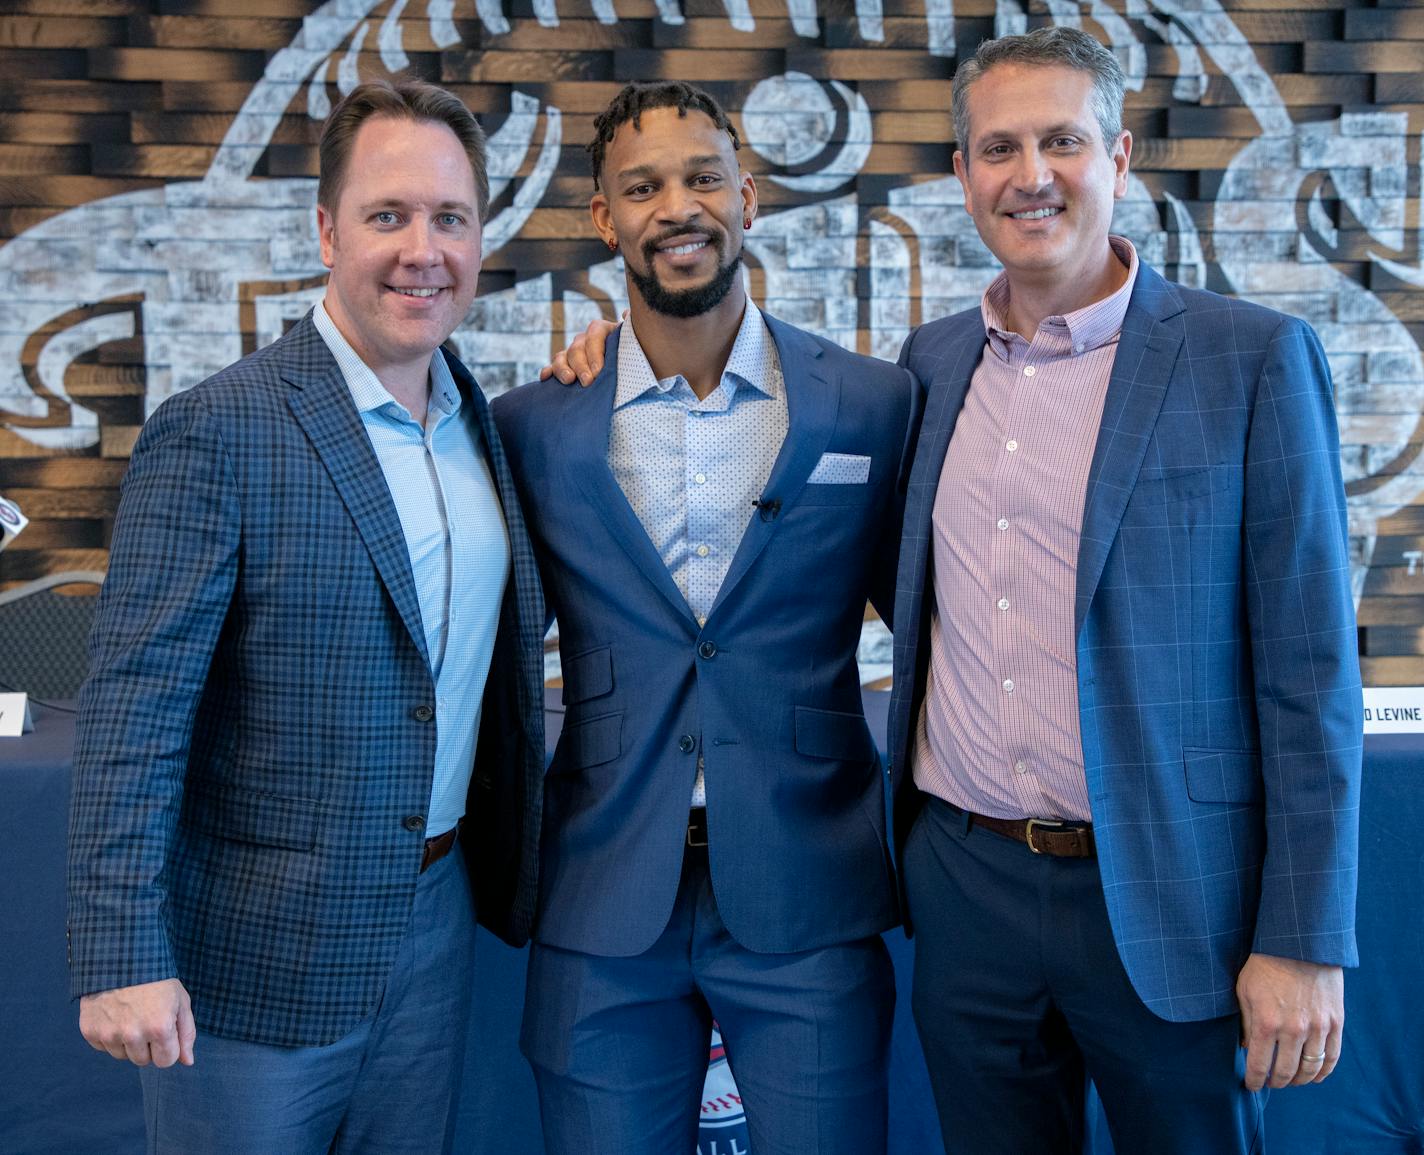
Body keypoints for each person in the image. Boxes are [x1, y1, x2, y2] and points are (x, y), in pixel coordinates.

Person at [887, 27, 1362, 1153]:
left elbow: (1308, 675)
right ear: (960, 174)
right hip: (964, 883)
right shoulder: (927, 363)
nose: (1028, 174)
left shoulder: (1248, 359)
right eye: (996, 147)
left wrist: (1300, 937)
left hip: (1165, 894)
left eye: (1059, 139)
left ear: (1119, 155)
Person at [66, 79, 545, 1155]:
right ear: (326, 229)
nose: (423, 249)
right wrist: (121, 954)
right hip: (250, 958)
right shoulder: (215, 432)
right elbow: (132, 712)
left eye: (450, 218)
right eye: (389, 215)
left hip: (433, 928)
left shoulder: (485, 428)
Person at [491, 81, 916, 1154]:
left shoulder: (867, 402)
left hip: (806, 886)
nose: (676, 206)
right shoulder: (532, 424)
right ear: (604, 219)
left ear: (749, 195)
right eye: (642, 187)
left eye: (702, 178)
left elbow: (931, 618)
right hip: (599, 895)